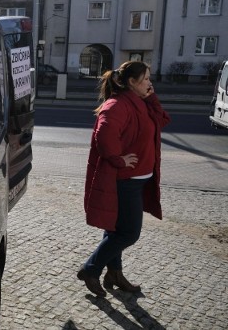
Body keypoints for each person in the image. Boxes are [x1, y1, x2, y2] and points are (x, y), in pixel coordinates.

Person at [77, 61, 171, 297]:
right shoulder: (117, 105)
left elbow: (161, 120)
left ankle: (114, 274)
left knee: (115, 230)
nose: (150, 82)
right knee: (129, 233)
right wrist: (119, 159)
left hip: (138, 179)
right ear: (132, 82)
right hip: (125, 180)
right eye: (146, 78)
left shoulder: (140, 102)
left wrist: (151, 98)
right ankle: (91, 269)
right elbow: (104, 136)